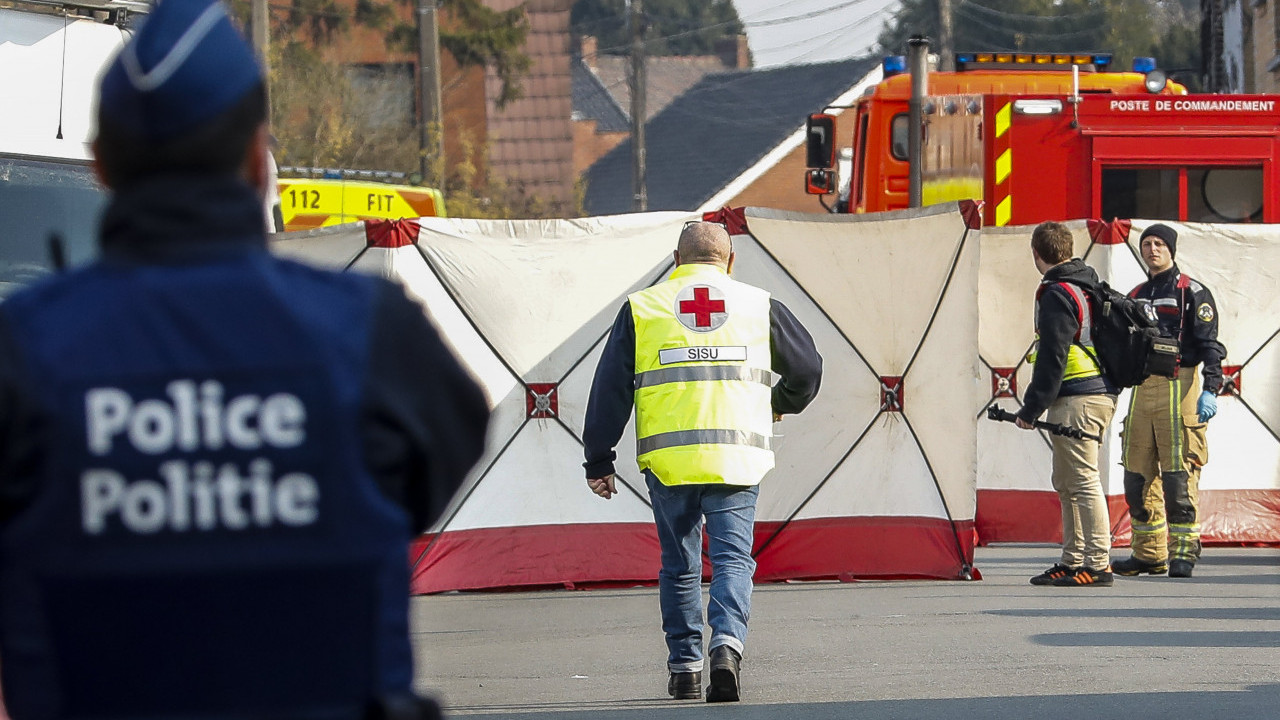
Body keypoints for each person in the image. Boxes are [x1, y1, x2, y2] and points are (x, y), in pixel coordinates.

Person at [0, 1, 490, 717]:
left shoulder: (22, 350)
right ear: (257, 156)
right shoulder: (372, 334)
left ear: (103, 163)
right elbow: (431, 473)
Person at [583, 221, 822, 703]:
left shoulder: (643, 307)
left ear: (676, 259)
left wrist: (598, 459)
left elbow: (609, 388)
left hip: (669, 460)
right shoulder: (759, 304)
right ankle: (727, 649)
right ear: (730, 260)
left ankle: (685, 668)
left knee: (679, 564)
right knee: (733, 558)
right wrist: (781, 402)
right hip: (736, 458)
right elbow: (809, 368)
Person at [1112, 224, 1226, 579]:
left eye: (1159, 243)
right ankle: (1148, 555)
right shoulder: (1135, 294)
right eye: (1146, 243)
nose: (1152, 249)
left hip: (1182, 387)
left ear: (1171, 249)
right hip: (1143, 390)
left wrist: (1212, 387)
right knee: (1136, 477)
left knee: (1178, 479)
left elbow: (1211, 346)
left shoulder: (1192, 291)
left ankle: (1183, 554)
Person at [1016, 221, 1119, 588]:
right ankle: (1073, 560)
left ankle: (1098, 563)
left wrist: (1031, 409)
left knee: (1083, 481)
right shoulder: (1088, 284)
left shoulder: (1058, 292)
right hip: (1093, 394)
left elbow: (1052, 355)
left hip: (1079, 396)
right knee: (1066, 481)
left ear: (1036, 254)